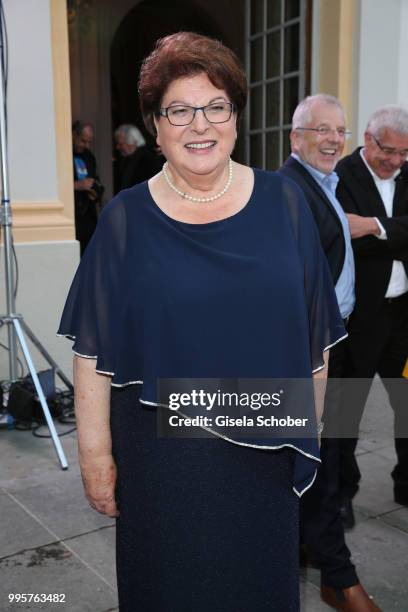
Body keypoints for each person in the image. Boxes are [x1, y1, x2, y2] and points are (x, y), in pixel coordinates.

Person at [59, 33, 345, 611]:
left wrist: (305, 430)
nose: (200, 125)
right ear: (156, 126)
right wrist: (95, 457)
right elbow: (91, 352)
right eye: (180, 110)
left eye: (216, 106)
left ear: (235, 117)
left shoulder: (285, 205)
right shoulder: (123, 222)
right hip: (161, 458)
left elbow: (317, 340)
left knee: (257, 586)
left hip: (263, 449)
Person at [279, 94, 380, 612]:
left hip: (336, 340)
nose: (333, 139)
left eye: (339, 130)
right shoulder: (289, 190)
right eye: (321, 129)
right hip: (310, 350)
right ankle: (338, 575)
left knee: (333, 454)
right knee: (318, 461)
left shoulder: (327, 184)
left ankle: (307, 555)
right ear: (296, 137)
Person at [336, 105, 408, 520]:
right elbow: (344, 239)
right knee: (347, 411)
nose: (396, 161)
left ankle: (407, 483)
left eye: (404, 153)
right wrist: (397, 232)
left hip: (405, 319)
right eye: (390, 151)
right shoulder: (342, 176)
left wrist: (375, 227)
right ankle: (342, 494)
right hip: (361, 319)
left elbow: (365, 235)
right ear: (368, 139)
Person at [72, 120, 104, 257]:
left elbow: (96, 180)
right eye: (83, 141)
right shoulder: (64, 154)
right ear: (74, 135)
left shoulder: (89, 156)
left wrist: (95, 192)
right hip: (72, 216)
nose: (86, 145)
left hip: (88, 215)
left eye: (89, 142)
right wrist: (76, 185)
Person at [113, 124, 162, 193]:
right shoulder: (128, 159)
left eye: (121, 144)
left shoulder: (148, 159)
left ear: (132, 142)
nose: (117, 147)